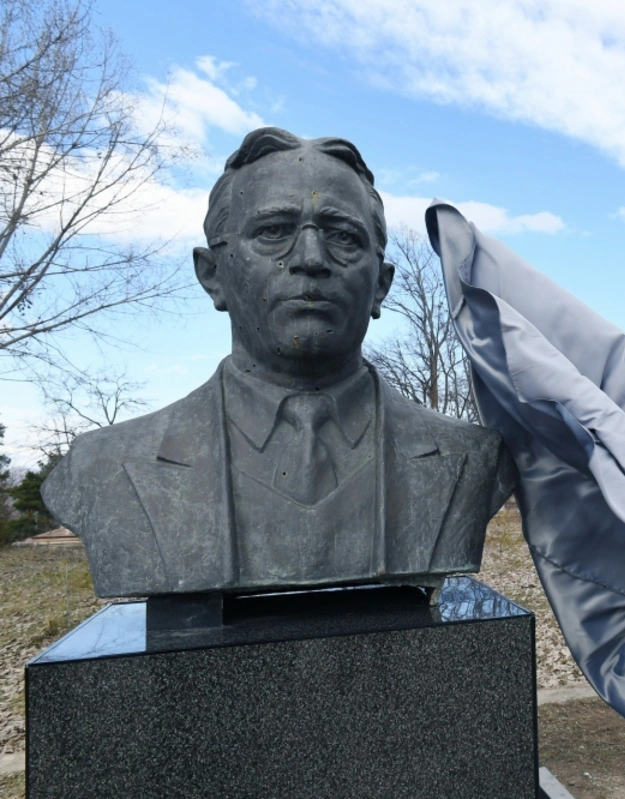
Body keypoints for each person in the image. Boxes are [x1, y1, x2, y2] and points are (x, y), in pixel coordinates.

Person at [42, 127, 517, 598]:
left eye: (344, 237)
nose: (311, 258)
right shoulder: (104, 467)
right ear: (213, 275)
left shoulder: (471, 459)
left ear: (381, 285)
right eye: (272, 232)